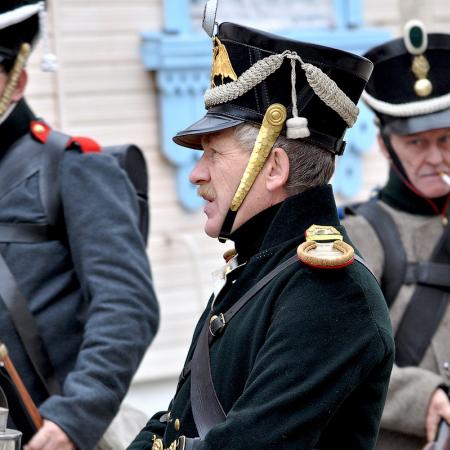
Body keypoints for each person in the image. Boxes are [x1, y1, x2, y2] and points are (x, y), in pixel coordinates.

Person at [128, 13, 395, 450]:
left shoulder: (329, 293)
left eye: (213, 154)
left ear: (273, 168)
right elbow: (178, 421)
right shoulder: (262, 269)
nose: (196, 174)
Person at [0, 1, 159, 449]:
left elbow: (126, 306)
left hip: (50, 432)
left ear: (17, 82)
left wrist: (76, 417)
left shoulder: (73, 166)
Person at [341, 20, 450, 450]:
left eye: (445, 139)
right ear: (386, 146)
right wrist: (423, 397)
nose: (435, 157)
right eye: (416, 143)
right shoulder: (357, 236)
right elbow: (342, 357)